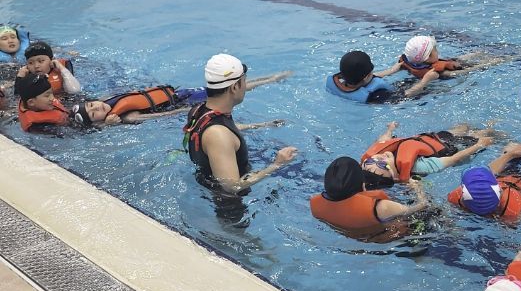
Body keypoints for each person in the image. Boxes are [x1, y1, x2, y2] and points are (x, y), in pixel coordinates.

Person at [183, 53, 297, 194]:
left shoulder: (198, 110)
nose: (245, 87)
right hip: (230, 203)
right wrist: (277, 165)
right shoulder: (218, 135)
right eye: (244, 81)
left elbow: (222, 128)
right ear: (234, 87)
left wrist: (261, 125)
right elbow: (232, 187)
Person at [70, 70, 291, 126]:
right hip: (185, 102)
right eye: (94, 113)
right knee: (225, 90)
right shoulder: (128, 117)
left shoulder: (108, 100)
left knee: (223, 88)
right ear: (98, 122)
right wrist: (188, 110)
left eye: (92, 104)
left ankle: (269, 79)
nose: (97, 107)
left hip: (179, 93)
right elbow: (164, 115)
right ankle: (271, 79)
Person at [310, 156, 428, 242]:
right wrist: (418, 188)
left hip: (355, 240)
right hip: (391, 239)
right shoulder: (381, 207)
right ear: (363, 185)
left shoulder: (314, 204)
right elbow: (422, 205)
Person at [360, 121, 495, 189]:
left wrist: (390, 129)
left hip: (435, 139)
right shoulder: (418, 166)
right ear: (394, 177)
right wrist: (479, 145)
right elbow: (453, 159)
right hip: (455, 150)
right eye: (382, 165)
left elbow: (382, 142)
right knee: (484, 133)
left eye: (370, 161)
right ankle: (492, 128)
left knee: (463, 126)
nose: (378, 158)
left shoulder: (382, 153)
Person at [379, 36, 517, 97]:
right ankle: (517, 55)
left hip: (450, 63)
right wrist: (494, 62)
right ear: (428, 57)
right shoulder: (438, 73)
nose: (437, 50)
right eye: (435, 49)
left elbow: (377, 74)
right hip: (451, 74)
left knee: (469, 56)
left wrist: (392, 70)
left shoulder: (409, 63)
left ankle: (483, 52)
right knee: (481, 62)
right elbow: (472, 70)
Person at [326, 50, 396, 103]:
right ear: (366, 77)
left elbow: (370, 78)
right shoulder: (375, 96)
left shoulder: (338, 82)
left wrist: (392, 70)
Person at [14, 41, 80, 96]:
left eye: (41, 61)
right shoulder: (26, 76)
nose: (36, 66)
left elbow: (74, 91)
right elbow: (19, 98)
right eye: (30, 63)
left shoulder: (62, 68)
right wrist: (19, 78)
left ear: (51, 60)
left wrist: (61, 68)